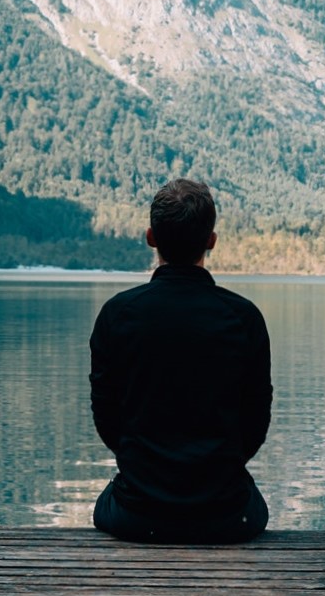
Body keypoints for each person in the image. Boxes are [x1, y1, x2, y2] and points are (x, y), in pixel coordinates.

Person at [87, 175, 272, 544]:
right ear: (211, 241)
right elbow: (256, 421)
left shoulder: (117, 314)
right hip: (228, 515)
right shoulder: (244, 317)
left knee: (107, 502)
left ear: (150, 237)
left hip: (136, 514)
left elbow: (107, 416)